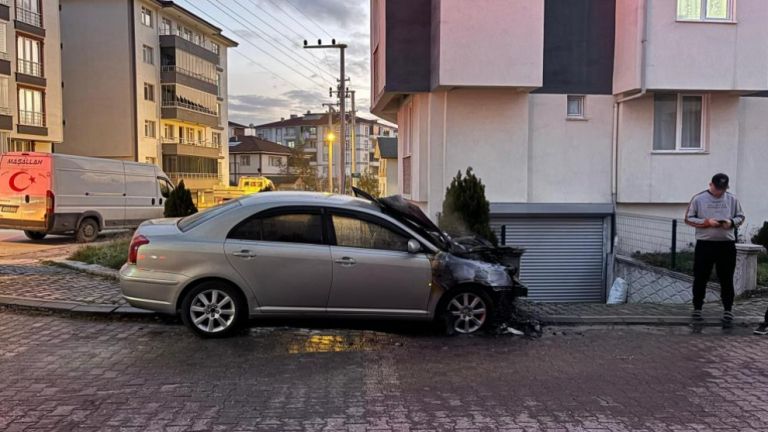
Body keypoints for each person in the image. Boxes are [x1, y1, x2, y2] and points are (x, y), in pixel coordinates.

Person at [684, 173, 745, 326]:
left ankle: (728, 310)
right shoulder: (699, 199)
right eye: (717, 188)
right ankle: (697, 308)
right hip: (705, 244)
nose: (719, 192)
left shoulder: (732, 199)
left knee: (726, 278)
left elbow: (741, 217)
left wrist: (730, 222)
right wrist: (707, 222)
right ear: (710, 184)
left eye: (722, 189)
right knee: (700, 277)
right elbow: (688, 219)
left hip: (726, 245)